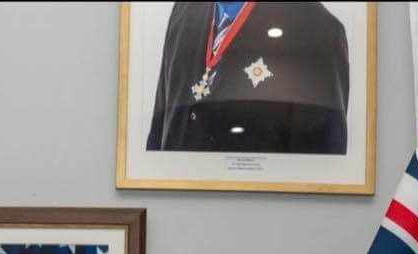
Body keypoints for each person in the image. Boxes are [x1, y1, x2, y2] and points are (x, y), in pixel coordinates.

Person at [145, 1, 350, 155]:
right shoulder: (184, 11)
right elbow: (158, 137)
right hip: (176, 207)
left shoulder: (319, 32)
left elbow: (319, 179)